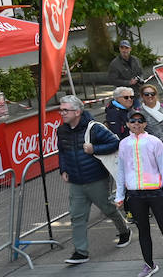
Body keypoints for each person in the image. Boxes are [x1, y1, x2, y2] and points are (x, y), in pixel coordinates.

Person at [55, 94, 132, 264]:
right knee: (77, 216)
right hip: (76, 181)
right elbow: (62, 151)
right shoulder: (61, 131)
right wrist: (63, 169)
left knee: (107, 208)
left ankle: (124, 230)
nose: (62, 113)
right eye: (61, 110)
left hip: (96, 178)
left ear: (77, 112)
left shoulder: (94, 128)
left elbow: (115, 142)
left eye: (65, 110)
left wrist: (94, 148)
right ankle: (80, 252)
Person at [114, 111, 163, 277]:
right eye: (133, 121)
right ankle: (149, 264)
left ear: (145, 124)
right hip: (135, 194)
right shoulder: (124, 144)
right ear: (128, 124)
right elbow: (121, 170)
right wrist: (120, 195)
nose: (136, 124)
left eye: (140, 121)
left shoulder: (154, 142)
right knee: (143, 230)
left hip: (156, 193)